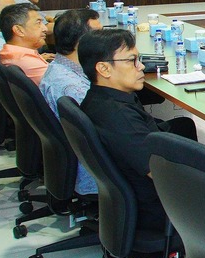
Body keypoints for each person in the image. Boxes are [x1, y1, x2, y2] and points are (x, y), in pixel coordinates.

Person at [79, 29, 198, 235]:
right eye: (132, 60)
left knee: (182, 126)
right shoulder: (119, 117)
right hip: (159, 211)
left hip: (135, 201)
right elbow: (161, 174)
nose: (141, 66)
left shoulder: (99, 99)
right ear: (104, 69)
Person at [39, 9, 104, 195]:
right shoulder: (73, 88)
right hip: (97, 174)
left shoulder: (58, 68)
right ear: (82, 43)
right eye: (99, 34)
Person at [0, 3, 51, 84]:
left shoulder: (9, 52)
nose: (45, 29)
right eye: (38, 23)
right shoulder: (28, 62)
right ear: (19, 30)